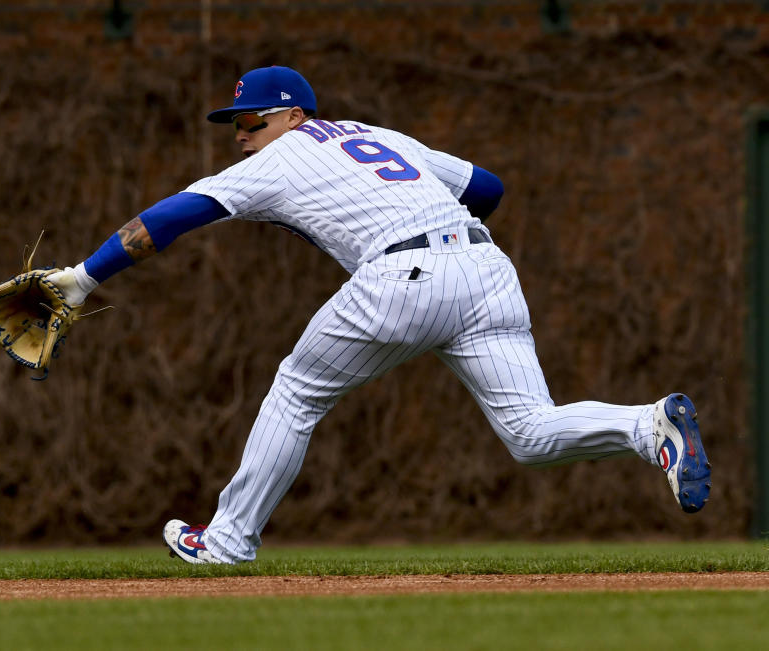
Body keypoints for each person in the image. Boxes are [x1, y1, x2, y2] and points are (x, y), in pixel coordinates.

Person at [47, 66, 711, 564]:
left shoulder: (284, 155)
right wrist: (439, 237)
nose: (241, 134)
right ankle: (645, 424)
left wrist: (80, 278)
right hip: (486, 268)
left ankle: (226, 541)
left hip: (404, 274)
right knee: (529, 432)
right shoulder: (377, 135)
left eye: (253, 120)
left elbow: (168, 219)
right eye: (235, 123)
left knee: (296, 390)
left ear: (294, 117)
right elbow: (487, 188)